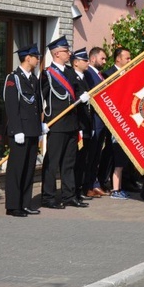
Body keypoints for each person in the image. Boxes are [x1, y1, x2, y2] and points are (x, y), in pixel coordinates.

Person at [40, 36, 90, 209]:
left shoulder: (69, 72)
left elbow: (78, 91)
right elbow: (42, 99)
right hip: (57, 123)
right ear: (56, 53)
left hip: (72, 123)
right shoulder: (47, 73)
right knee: (52, 163)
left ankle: (69, 195)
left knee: (69, 162)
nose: (69, 53)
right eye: (66, 51)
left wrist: (83, 97)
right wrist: (43, 122)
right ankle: (49, 197)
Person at [3, 44, 44, 217]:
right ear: (27, 58)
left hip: (32, 130)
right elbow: (12, 106)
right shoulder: (13, 78)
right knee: (16, 169)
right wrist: (16, 129)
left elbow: (38, 104)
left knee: (29, 169)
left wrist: (41, 124)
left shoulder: (34, 79)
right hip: (20, 132)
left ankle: (25, 203)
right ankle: (13, 206)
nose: (38, 59)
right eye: (36, 56)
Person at [103, 47, 132, 199]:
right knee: (112, 155)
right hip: (113, 122)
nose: (129, 61)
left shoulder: (129, 74)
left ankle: (121, 185)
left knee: (122, 157)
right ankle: (108, 184)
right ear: (118, 59)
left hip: (126, 120)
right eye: (127, 58)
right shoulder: (107, 74)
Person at [83, 47, 109, 198]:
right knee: (90, 155)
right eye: (102, 58)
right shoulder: (88, 74)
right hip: (94, 120)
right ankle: (88, 185)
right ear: (93, 58)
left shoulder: (100, 75)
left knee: (96, 155)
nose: (104, 62)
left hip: (102, 120)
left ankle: (94, 183)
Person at [70, 47, 94, 202]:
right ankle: (73, 192)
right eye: (85, 60)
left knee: (83, 161)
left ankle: (79, 190)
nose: (87, 62)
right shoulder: (72, 78)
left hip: (86, 124)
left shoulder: (85, 78)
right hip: (78, 125)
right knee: (76, 161)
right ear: (76, 62)